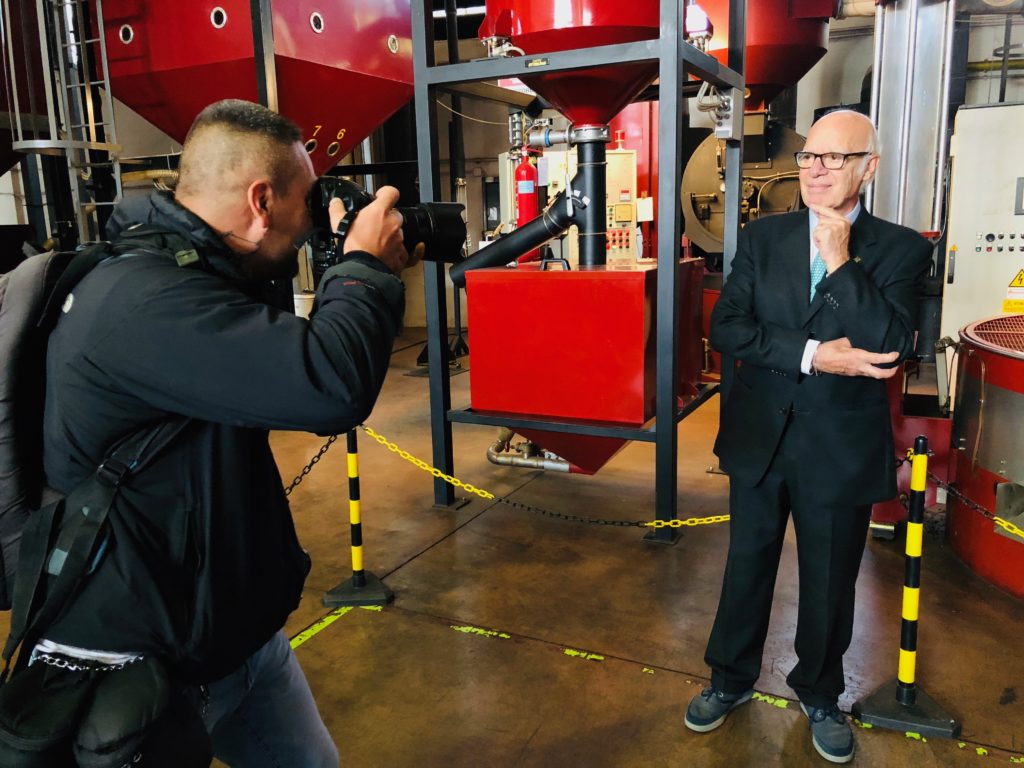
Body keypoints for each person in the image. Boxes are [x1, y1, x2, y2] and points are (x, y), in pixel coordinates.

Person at [38, 99, 417, 766]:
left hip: (232, 637)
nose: (310, 224)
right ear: (261, 201)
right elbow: (327, 385)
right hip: (144, 665)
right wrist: (362, 267)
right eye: (307, 202)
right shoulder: (144, 303)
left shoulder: (194, 279)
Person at [684, 110, 932, 764]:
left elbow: (889, 343)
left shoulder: (903, 249)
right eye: (809, 158)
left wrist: (842, 261)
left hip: (840, 446)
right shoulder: (763, 239)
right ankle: (729, 678)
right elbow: (728, 330)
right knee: (747, 566)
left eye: (833, 158)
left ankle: (820, 693)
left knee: (829, 580)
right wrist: (815, 355)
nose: (815, 170)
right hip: (761, 436)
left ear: (867, 168)